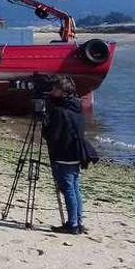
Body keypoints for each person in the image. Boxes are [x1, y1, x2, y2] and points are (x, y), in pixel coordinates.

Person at [42, 75, 87, 235]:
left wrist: (45, 122)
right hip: (76, 152)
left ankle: (73, 224)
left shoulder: (60, 111)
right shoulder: (77, 106)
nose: (52, 92)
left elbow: (52, 135)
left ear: (62, 92)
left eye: (55, 89)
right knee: (75, 187)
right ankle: (79, 221)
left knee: (68, 188)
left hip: (64, 153)